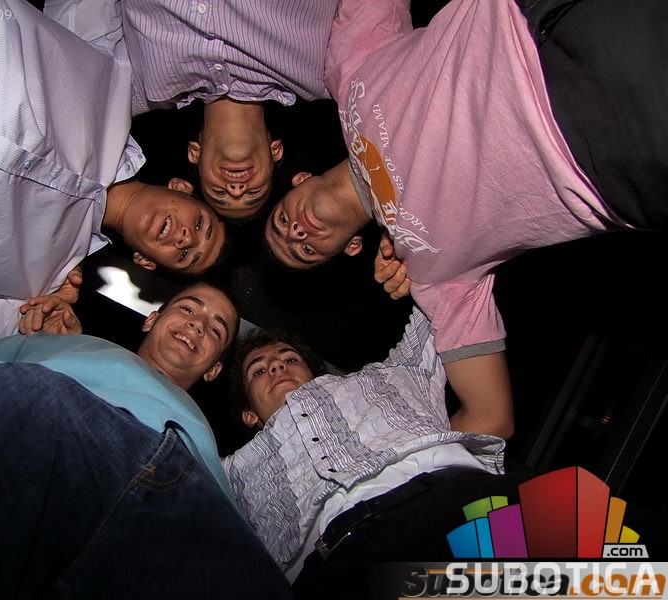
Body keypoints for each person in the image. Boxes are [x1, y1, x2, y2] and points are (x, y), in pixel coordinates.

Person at [264, 0, 667, 436]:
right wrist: (391, 462)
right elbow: (490, 418)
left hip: (532, 18)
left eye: (282, 224)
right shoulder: (431, 275)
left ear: (299, 180)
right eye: (304, 251)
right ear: (350, 248)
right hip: (607, 152)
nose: (296, 232)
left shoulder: (347, 73)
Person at [0, 282, 292, 599]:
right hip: (46, 421)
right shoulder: (62, 347)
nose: (198, 324)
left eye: (216, 329)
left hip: (181, 482)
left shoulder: (208, 444)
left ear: (213, 369)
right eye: (187, 308)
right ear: (152, 318)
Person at [0, 0, 226, 374]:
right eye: (200, 224)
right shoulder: (117, 85)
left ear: (146, 262)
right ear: (181, 187)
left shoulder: (44, 280)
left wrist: (42, 346)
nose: (185, 239)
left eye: (186, 255)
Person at [224, 309, 526, 598]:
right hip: (345, 567)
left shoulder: (390, 376)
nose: (277, 367)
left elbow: (444, 299)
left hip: (462, 501)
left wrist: (415, 270)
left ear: (313, 373)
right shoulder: (234, 472)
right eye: (258, 370)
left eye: (290, 358)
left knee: (549, 573)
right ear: (249, 414)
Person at [45, 0, 341, 219]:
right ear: (275, 151)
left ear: (194, 154)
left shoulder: (138, 89)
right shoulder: (320, 75)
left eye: (219, 193)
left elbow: (72, 32)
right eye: (254, 193)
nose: (236, 190)